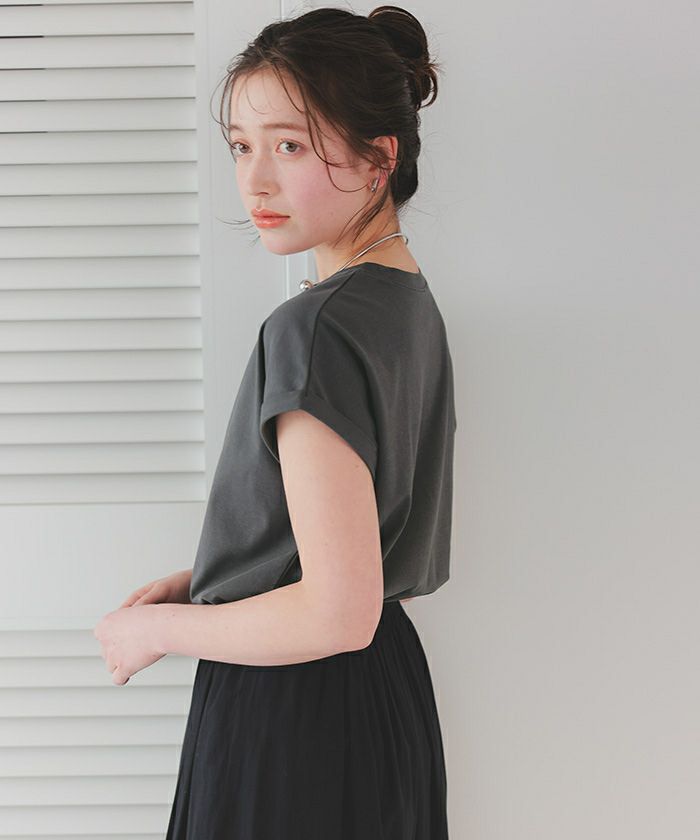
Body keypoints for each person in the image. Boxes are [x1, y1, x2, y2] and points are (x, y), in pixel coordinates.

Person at [95, 5, 457, 838]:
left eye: (289, 146)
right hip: (380, 698)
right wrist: (219, 574)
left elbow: (335, 611)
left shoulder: (315, 329)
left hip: (296, 709)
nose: (255, 180)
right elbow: (354, 546)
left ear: (379, 157)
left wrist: (156, 628)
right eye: (240, 146)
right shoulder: (403, 300)